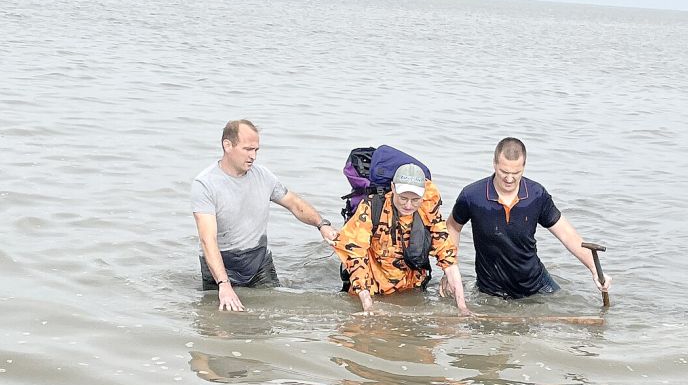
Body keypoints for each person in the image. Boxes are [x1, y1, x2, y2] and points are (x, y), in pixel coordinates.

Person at [191, 119, 338, 312]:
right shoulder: (205, 184)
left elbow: (294, 203)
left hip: (258, 262)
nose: (253, 156)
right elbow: (207, 240)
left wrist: (322, 224)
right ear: (227, 145)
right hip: (220, 266)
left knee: (268, 320)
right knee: (220, 327)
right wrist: (224, 284)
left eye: (256, 150)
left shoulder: (263, 176)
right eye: (247, 149)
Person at [447, 137, 612, 300]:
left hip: (536, 283)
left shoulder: (536, 195)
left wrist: (595, 270)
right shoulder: (472, 196)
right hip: (491, 288)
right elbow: (453, 227)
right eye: (504, 172)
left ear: (524, 167)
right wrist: (450, 270)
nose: (509, 178)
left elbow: (567, 235)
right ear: (494, 164)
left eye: (516, 173)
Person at [333, 163, 472, 316]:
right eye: (403, 198)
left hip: (410, 288)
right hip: (371, 289)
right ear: (393, 188)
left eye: (415, 200)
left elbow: (448, 258)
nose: (408, 205)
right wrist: (368, 305)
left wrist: (462, 306)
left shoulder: (428, 211)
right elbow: (355, 255)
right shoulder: (372, 207)